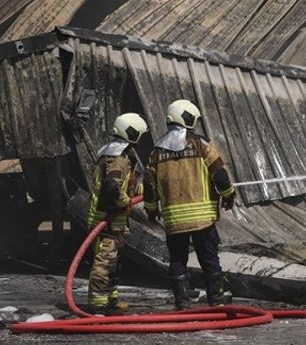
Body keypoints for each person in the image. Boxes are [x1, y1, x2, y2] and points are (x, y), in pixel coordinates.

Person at [144, 99, 236, 309]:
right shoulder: (201, 144)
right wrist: (229, 195)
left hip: (174, 221)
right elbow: (220, 175)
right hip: (202, 219)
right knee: (209, 260)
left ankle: (182, 304)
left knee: (177, 262)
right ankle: (217, 301)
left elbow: (148, 187)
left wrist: (151, 209)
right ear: (187, 118)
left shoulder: (156, 151)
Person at [86, 112, 148, 314]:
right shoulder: (116, 159)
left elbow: (125, 185)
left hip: (115, 223)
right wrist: (125, 201)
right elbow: (112, 188)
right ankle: (98, 306)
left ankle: (110, 301)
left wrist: (142, 192)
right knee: (104, 264)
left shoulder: (118, 156)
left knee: (114, 263)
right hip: (106, 222)